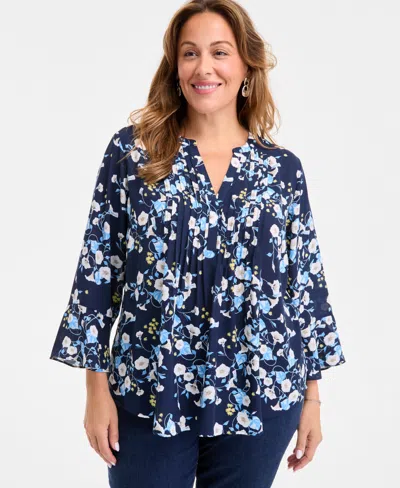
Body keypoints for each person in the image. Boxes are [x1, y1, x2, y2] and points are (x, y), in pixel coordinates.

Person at [49, 1, 346, 486]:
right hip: (149, 387)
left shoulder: (281, 170)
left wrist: (312, 400)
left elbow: (305, 288)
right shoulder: (133, 154)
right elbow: (98, 274)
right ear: (175, 67)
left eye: (220, 52)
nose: (203, 67)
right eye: (190, 53)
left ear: (246, 65)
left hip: (261, 390)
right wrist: (95, 389)